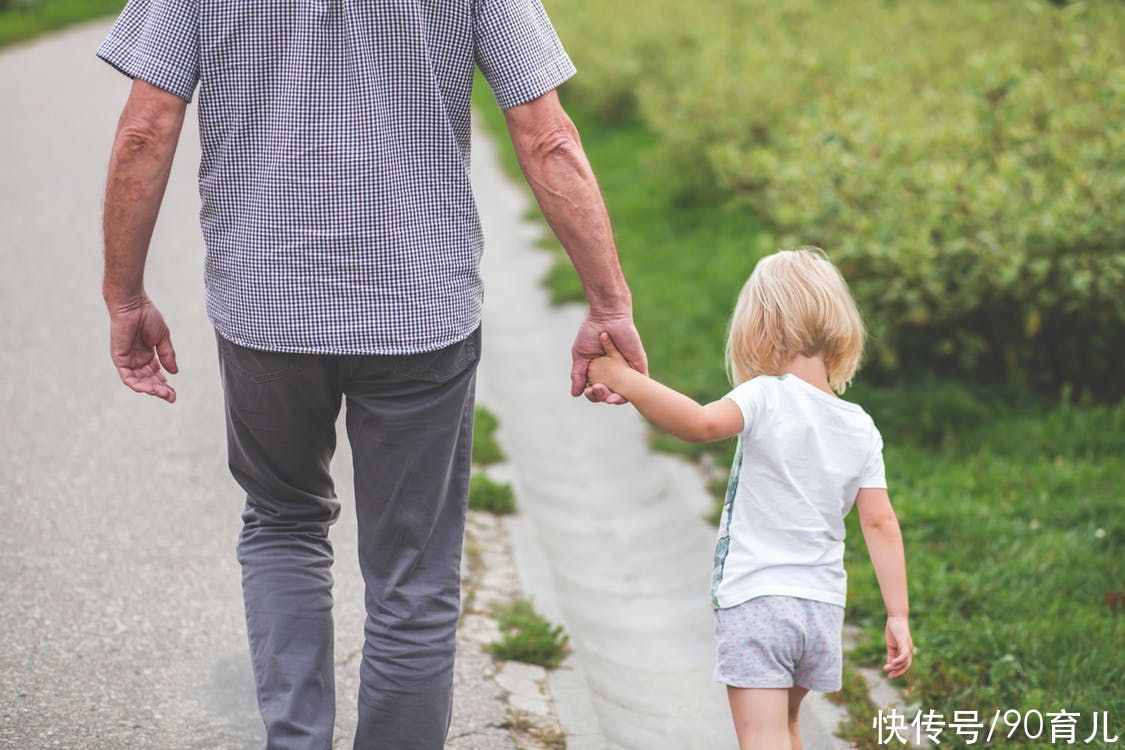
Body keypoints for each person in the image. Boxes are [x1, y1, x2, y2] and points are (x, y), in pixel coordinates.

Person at [96, 0, 646, 747]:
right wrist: (608, 301)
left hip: (267, 307)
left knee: (283, 524)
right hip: (419, 310)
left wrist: (124, 294)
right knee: (412, 579)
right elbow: (547, 137)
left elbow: (144, 128)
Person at [587, 247, 913, 750]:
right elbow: (880, 525)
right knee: (786, 728)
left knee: (762, 738)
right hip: (821, 609)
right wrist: (898, 616)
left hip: (759, 602)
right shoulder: (860, 427)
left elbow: (698, 424)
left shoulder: (766, 395)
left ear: (759, 328)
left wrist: (626, 379)